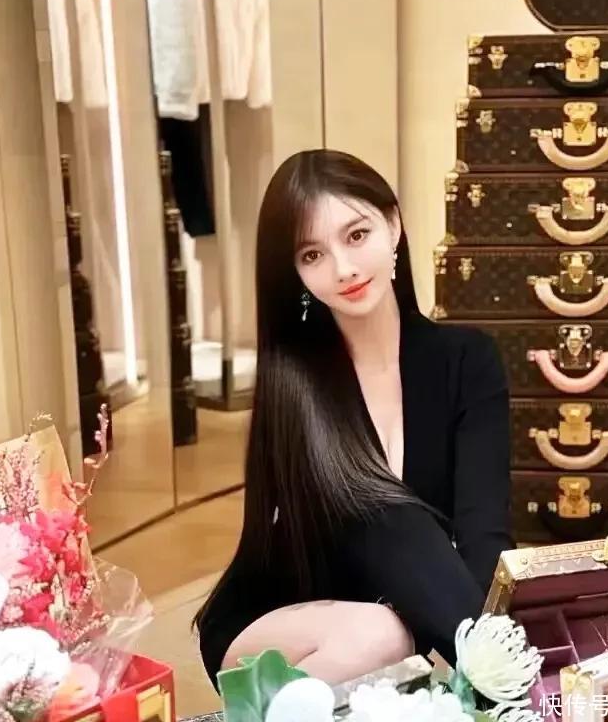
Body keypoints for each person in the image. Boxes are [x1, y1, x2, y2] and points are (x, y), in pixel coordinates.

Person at [195, 149, 512, 689]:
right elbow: (366, 533)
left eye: (357, 235)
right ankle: (508, 688)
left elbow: (485, 536)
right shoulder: (295, 380)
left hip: (392, 618)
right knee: (384, 569)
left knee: (396, 631)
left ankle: (505, 676)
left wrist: (500, 636)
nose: (343, 269)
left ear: (393, 225)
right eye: (312, 254)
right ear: (295, 272)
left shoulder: (467, 360)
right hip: (277, 619)